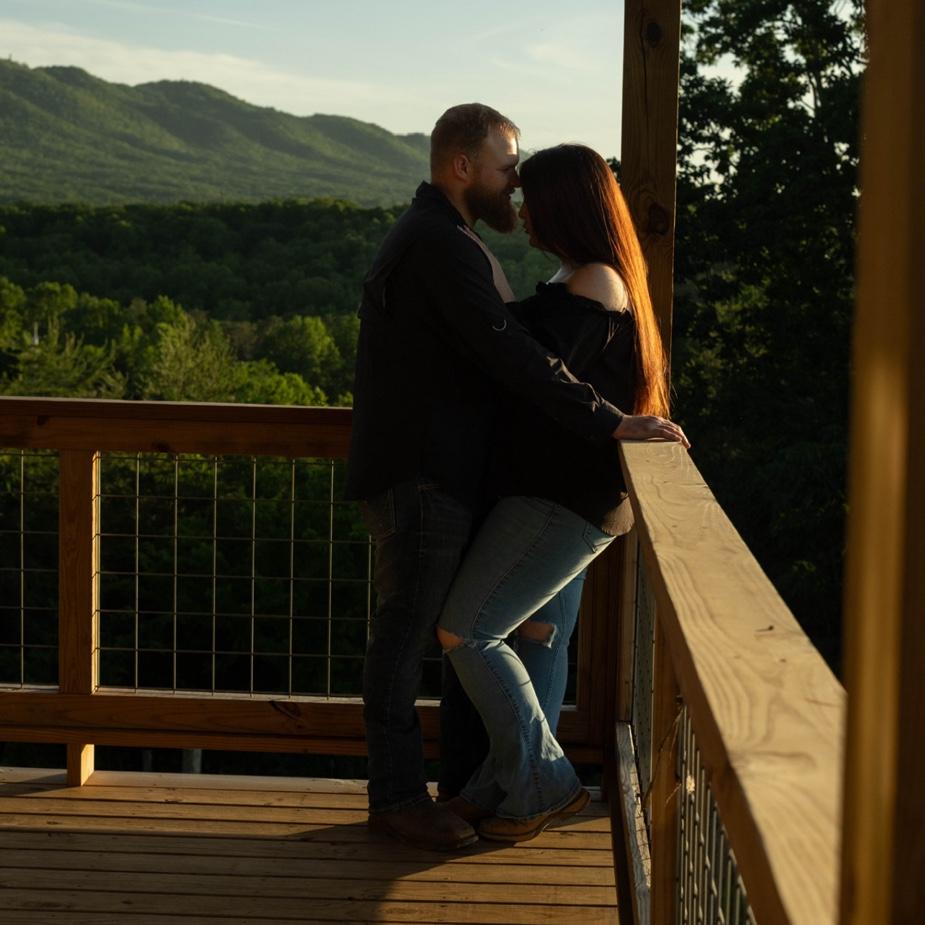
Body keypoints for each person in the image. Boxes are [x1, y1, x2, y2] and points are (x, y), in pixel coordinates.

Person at [346, 105, 686, 852]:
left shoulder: (577, 278)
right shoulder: (446, 242)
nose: (516, 193)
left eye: (527, 185)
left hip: (557, 496)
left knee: (489, 634)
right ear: (464, 167)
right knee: (463, 635)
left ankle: (521, 783)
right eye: (508, 173)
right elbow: (515, 353)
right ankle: (478, 789)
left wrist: (610, 419)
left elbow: (526, 361)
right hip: (469, 481)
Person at [437, 143, 687, 842]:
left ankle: (546, 784)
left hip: (564, 498)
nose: (519, 209)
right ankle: (499, 786)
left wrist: (483, 281)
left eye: (529, 198)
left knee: (467, 630)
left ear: (562, 205)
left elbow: (538, 379)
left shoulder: (596, 283)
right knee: (516, 634)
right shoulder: (577, 277)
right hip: (553, 491)